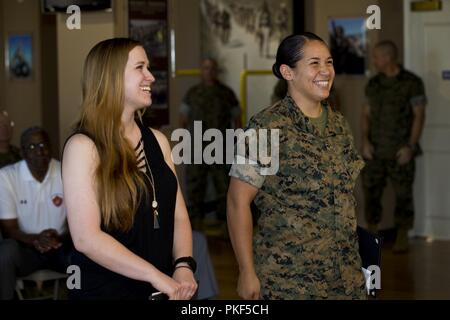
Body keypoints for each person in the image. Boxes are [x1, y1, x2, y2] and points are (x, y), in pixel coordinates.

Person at [227, 33, 366, 300]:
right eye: (314, 63)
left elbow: (345, 199)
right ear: (287, 72)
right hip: (289, 281)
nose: (325, 71)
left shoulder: (339, 126)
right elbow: (237, 202)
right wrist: (246, 271)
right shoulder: (266, 127)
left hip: (346, 278)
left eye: (329, 62)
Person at [62, 38, 197, 299]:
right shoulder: (83, 147)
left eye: (148, 67)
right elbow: (86, 238)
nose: (150, 77)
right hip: (107, 291)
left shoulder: (158, 141)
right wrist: (157, 277)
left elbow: (178, 215)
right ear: (111, 77)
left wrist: (183, 266)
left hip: (161, 289)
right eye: (140, 67)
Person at [362, 40, 426, 253]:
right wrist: (365, 141)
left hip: (400, 151)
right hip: (375, 151)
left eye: (376, 57)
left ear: (388, 58)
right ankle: (372, 231)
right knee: (370, 192)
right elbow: (366, 115)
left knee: (403, 195)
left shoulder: (412, 82)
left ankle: (402, 235)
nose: (374, 61)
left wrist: (411, 146)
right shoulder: (373, 84)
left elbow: (419, 116)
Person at [0, 127, 70, 300]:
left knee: (82, 254)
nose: (39, 151)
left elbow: (79, 220)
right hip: (26, 251)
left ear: (51, 148)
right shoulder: (6, 176)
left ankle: (76, 294)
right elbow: (10, 229)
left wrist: (58, 238)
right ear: (22, 152)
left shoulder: (67, 171)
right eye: (31, 147)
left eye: (42, 145)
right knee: (6, 252)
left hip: (60, 248)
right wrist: (36, 239)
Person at [179, 58, 240, 232]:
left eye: (212, 68)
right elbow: (182, 119)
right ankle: (194, 226)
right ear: (201, 70)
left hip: (221, 147)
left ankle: (225, 226)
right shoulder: (192, 93)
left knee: (224, 186)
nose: (209, 71)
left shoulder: (226, 93)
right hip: (197, 147)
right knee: (195, 186)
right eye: (205, 68)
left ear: (216, 71)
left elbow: (237, 118)